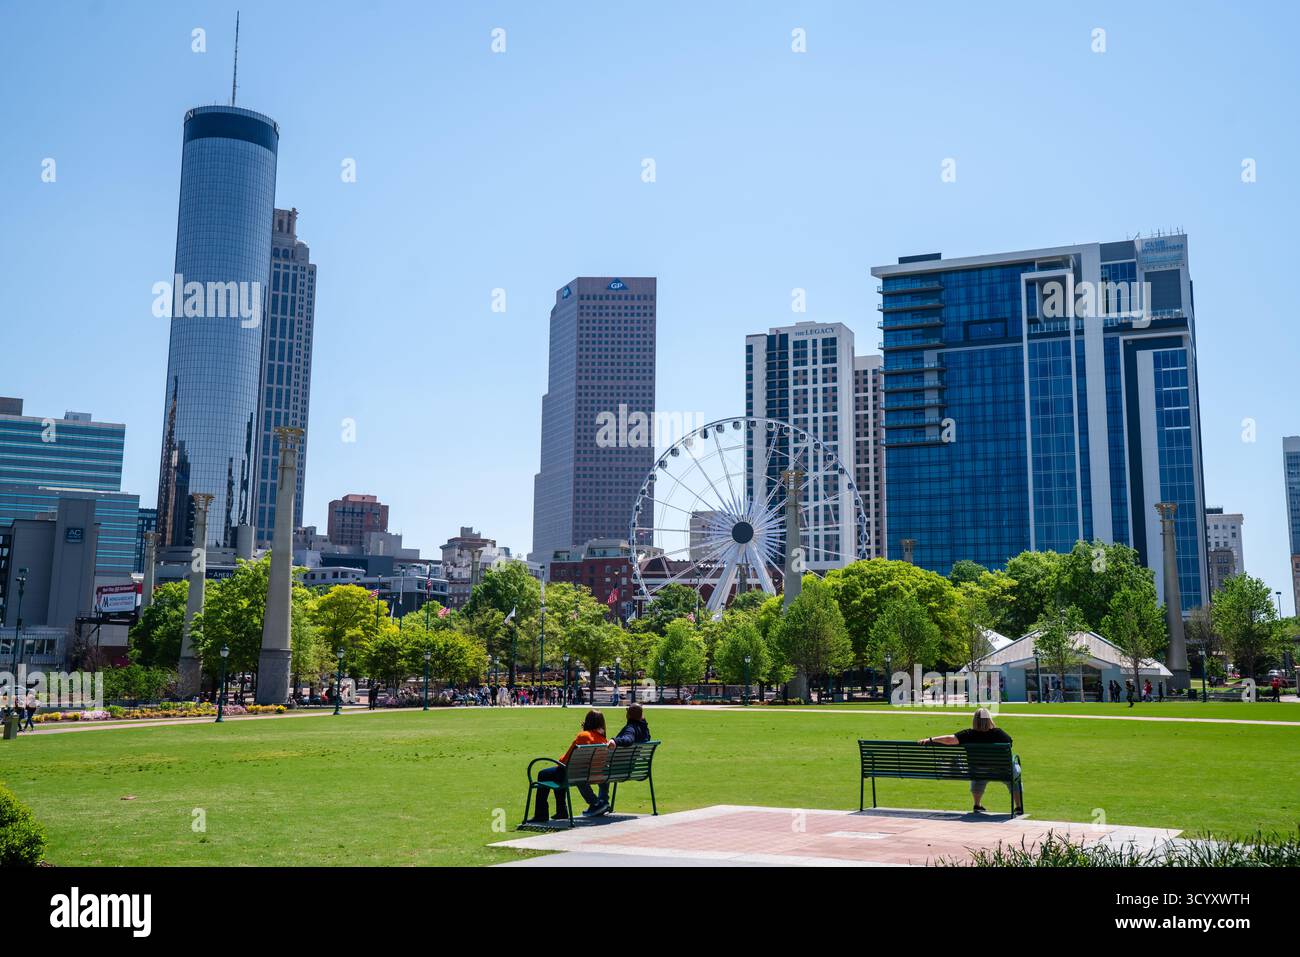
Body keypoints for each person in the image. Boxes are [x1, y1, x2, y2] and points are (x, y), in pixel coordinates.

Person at [917, 708, 1023, 815]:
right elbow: (1010, 742)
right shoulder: (999, 733)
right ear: (989, 720)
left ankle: (977, 804)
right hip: (1002, 771)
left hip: (978, 771)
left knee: (978, 774)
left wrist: (931, 739)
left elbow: (949, 739)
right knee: (1013, 776)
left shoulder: (968, 734)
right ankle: (1018, 806)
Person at [527, 709, 613, 823]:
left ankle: (541, 814)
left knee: (544, 774)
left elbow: (567, 759)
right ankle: (561, 811)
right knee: (555, 774)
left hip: (573, 772)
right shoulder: (603, 739)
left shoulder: (583, 736)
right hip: (588, 773)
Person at [587, 703, 653, 816]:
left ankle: (600, 802)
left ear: (628, 715)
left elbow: (628, 739)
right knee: (604, 766)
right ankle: (603, 801)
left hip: (618, 769)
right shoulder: (643, 729)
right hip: (630, 768)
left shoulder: (631, 728)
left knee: (597, 767)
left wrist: (615, 741)